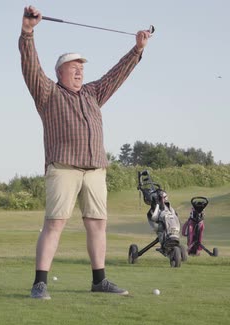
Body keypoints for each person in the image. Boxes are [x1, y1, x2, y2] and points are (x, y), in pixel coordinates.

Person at [19, 5, 151, 300]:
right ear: (59, 72)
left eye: (82, 67)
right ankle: (40, 283)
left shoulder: (93, 93)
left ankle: (99, 280)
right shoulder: (48, 93)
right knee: (54, 224)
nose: (79, 70)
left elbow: (117, 75)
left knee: (97, 224)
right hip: (63, 168)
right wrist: (28, 32)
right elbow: (30, 66)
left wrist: (137, 49)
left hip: (95, 170)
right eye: (73, 67)